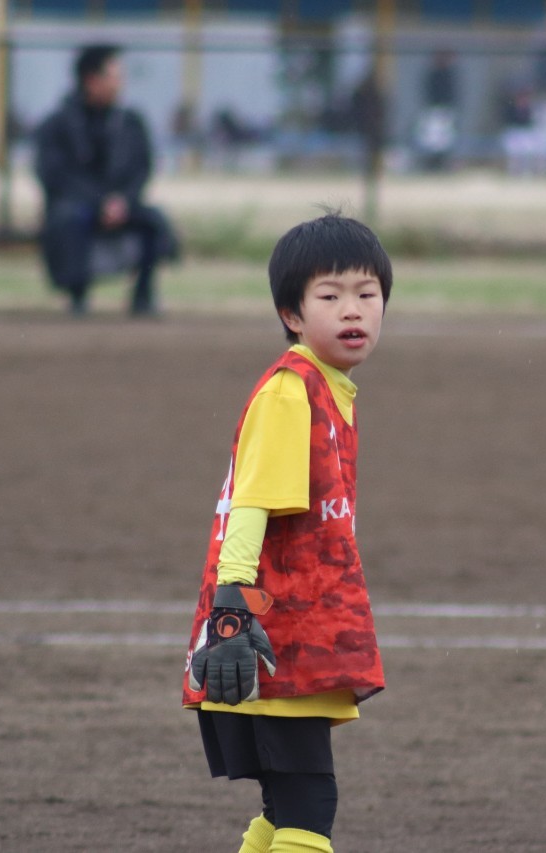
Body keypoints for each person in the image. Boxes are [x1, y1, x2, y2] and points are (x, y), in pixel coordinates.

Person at [183, 213, 391, 853]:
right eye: (330, 297)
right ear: (292, 315)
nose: (351, 309)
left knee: (287, 806)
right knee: (308, 806)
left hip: (299, 630)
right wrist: (231, 609)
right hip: (271, 633)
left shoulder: (328, 391)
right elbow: (249, 507)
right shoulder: (289, 391)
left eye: (367, 294)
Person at [35, 43, 179, 316]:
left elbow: (141, 169)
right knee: (70, 218)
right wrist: (100, 202)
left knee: (153, 220)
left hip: (121, 204)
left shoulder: (130, 122)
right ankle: (78, 297)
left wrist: (123, 201)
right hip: (77, 207)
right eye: (114, 77)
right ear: (91, 80)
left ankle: (143, 295)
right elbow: (55, 175)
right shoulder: (57, 124)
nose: (120, 84)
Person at [414, 49, 459, 172]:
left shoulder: (450, 74)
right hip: (433, 109)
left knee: (444, 139)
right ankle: (431, 164)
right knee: (431, 139)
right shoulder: (433, 74)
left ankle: (441, 164)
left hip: (445, 110)